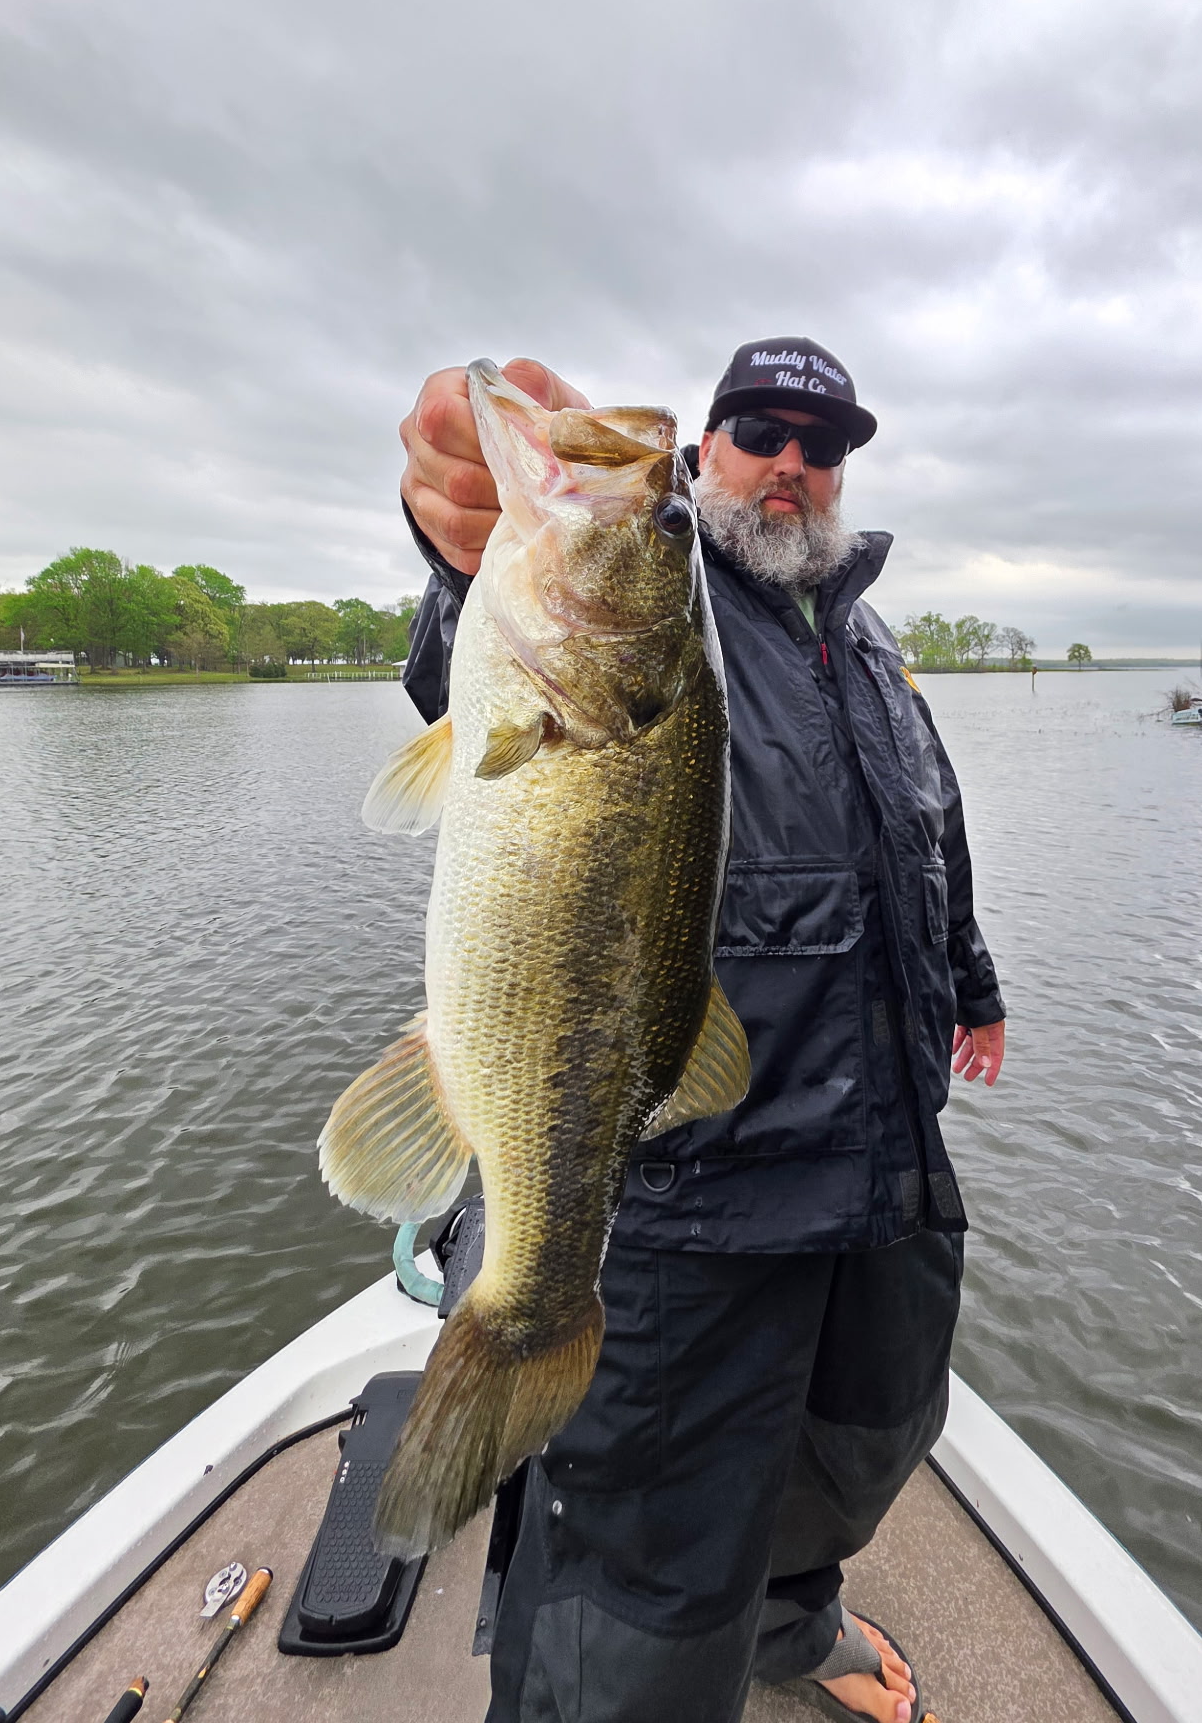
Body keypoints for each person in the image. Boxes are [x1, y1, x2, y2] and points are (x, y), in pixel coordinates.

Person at [398, 336, 1005, 1723]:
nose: (792, 463)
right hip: (694, 1199)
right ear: (705, 454)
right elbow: (469, 655)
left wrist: (972, 984)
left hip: (885, 1169)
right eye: (759, 432)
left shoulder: (864, 636)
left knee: (865, 1445)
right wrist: (460, 539)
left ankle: (789, 1631)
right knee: (651, 1579)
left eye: (823, 442)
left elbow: (929, 831)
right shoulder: (682, 611)